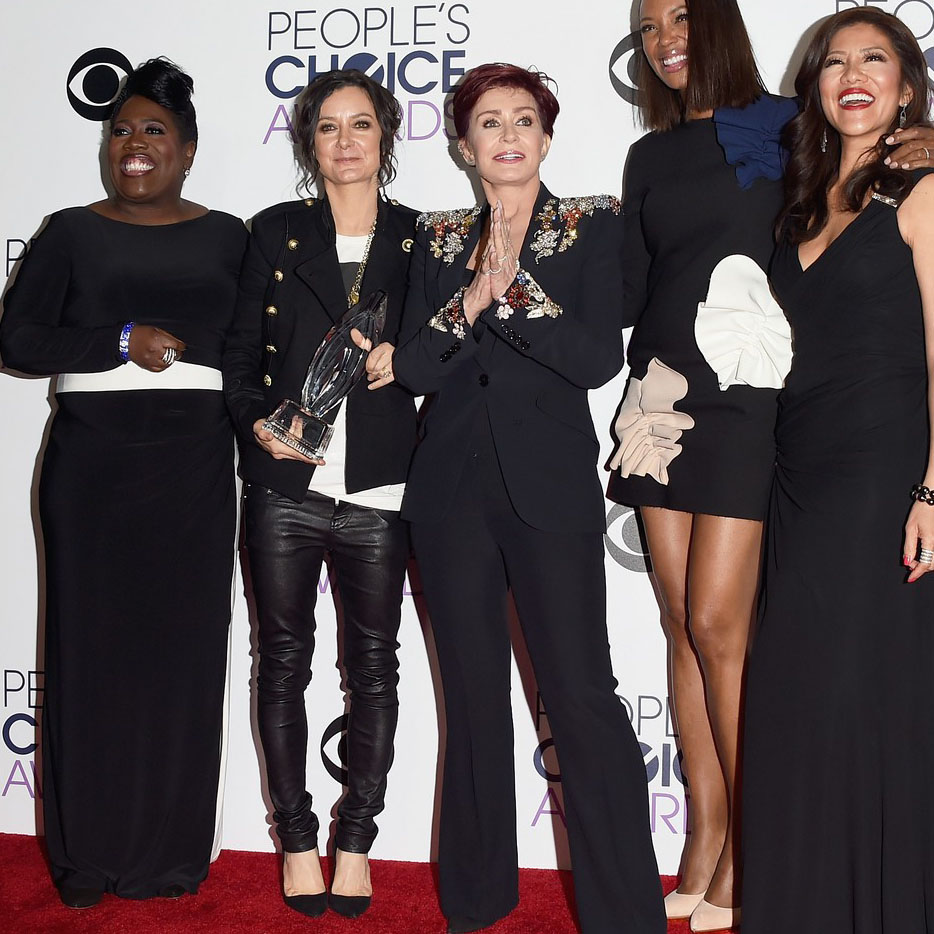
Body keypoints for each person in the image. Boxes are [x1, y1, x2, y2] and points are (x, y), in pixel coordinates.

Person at [606, 3, 934, 929]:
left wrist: (928, 132)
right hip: (669, 399)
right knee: (680, 625)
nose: (665, 32)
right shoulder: (657, 156)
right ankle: (708, 839)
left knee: (722, 628)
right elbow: (632, 287)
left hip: (760, 405)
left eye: (681, 12)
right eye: (647, 20)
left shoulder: (794, 124)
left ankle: (756, 848)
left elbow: (886, 145)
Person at [365, 63, 665, 934]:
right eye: (488, 121)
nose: (507, 134)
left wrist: (518, 289)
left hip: (552, 492)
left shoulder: (591, 225)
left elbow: (594, 358)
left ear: (545, 136)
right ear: (463, 144)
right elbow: (415, 369)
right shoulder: (435, 235)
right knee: (473, 696)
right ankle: (477, 897)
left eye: (524, 119)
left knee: (581, 695)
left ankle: (625, 913)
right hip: (450, 496)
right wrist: (473, 294)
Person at [0, 59, 246, 907]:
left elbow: (254, 348)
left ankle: (172, 856)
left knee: (183, 658)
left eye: (153, 132)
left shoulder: (230, 238)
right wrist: (118, 339)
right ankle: (86, 860)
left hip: (196, 468)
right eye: (120, 130)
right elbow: (19, 341)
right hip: (92, 468)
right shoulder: (68, 231)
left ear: (187, 149)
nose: (133, 145)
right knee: (88, 657)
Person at [742, 9, 934, 932]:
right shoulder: (803, 199)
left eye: (876, 59)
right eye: (835, 63)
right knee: (797, 691)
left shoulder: (926, 190)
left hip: (885, 466)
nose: (853, 74)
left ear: (907, 84)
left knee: (866, 690)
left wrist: (933, 485)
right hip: (800, 469)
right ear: (814, 84)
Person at [222, 69, 417, 920]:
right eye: (329, 127)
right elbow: (236, 357)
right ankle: (296, 837)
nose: (346, 141)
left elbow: (459, 354)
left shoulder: (425, 239)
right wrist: (253, 424)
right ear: (308, 142)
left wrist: (406, 364)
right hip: (284, 485)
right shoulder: (274, 233)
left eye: (362, 125)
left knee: (373, 668)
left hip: (383, 487)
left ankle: (356, 840)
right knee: (283, 662)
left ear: (387, 137)